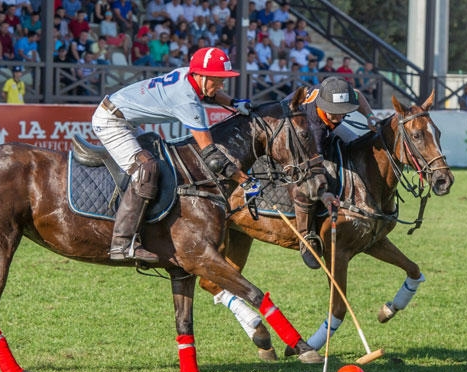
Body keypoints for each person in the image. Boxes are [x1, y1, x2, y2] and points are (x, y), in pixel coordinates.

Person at [91, 47, 256, 263]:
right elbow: (212, 155)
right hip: (111, 121)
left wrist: (233, 103)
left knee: (158, 167)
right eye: (217, 79)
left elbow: (211, 93)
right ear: (201, 75)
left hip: (125, 120)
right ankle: (121, 243)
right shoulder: (185, 100)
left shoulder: (190, 74)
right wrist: (245, 181)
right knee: (146, 169)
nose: (221, 85)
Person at [283, 76, 379, 268]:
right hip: (289, 127)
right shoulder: (314, 125)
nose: (340, 116)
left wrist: (370, 116)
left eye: (343, 112)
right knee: (312, 178)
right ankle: (306, 236)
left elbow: (357, 95)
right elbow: (314, 164)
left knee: (356, 143)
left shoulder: (335, 94)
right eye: (335, 113)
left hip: (321, 122)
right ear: (324, 106)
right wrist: (323, 191)